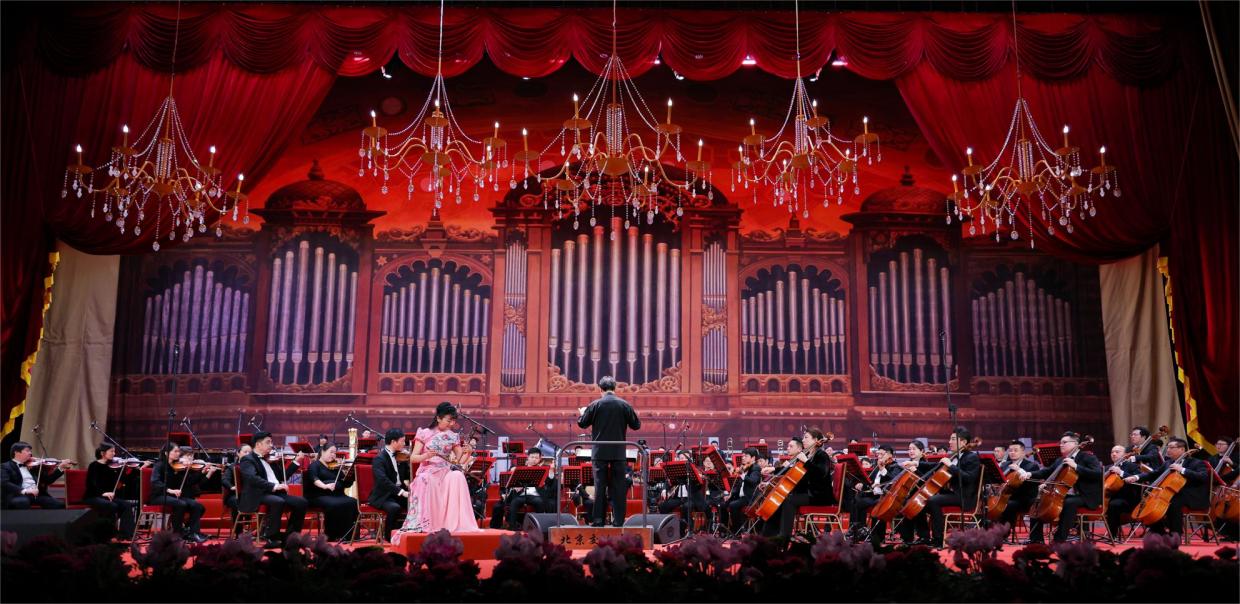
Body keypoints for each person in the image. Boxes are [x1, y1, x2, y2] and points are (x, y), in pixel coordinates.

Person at [395, 402, 481, 539]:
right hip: (428, 470)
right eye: (448, 420)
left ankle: (453, 522)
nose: (451, 424)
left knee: (457, 475)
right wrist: (426, 456)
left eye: (453, 421)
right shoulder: (424, 433)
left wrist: (468, 452)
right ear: (438, 418)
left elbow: (460, 461)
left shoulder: (453, 436)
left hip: (445, 472)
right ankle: (428, 523)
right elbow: (413, 458)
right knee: (426, 479)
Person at [1015, 431, 1102, 543]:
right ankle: (1036, 540)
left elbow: (1097, 474)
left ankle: (1059, 540)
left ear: (1075, 444)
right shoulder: (1060, 460)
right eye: (1060, 443)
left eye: (1064, 442)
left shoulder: (1087, 457)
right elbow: (1047, 471)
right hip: (1064, 494)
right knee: (1037, 502)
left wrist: (1076, 466)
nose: (1061, 445)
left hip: (1085, 496)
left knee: (1069, 503)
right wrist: (1029, 474)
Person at [578, 375, 641, 527]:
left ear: (600, 389)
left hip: (599, 452)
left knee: (600, 486)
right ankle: (618, 521)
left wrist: (582, 413)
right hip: (618, 452)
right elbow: (636, 425)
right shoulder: (624, 404)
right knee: (619, 487)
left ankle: (598, 520)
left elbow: (582, 424)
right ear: (615, 388)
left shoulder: (595, 404)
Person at [905, 427, 980, 548]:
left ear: (963, 442)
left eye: (953, 439)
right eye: (950, 439)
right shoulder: (954, 456)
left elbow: (969, 478)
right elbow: (935, 465)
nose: (949, 442)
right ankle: (924, 537)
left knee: (934, 500)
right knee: (920, 501)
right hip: (951, 494)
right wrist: (916, 463)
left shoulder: (972, 457)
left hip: (964, 497)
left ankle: (938, 540)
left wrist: (951, 466)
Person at [1124, 437, 1209, 536]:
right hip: (1172, 494)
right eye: (1168, 447)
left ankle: (1176, 533)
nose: (1168, 450)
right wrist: (1136, 477)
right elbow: (1154, 474)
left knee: (1172, 502)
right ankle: (1160, 532)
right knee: (1152, 504)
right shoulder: (1168, 463)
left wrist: (1182, 470)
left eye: (1171, 447)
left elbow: (1203, 477)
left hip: (1192, 496)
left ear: (1182, 449)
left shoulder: (1196, 462)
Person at [239, 432, 309, 548]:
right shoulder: (247, 459)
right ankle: (271, 537)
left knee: (302, 502)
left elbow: (282, 477)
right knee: (277, 501)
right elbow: (252, 478)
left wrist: (296, 461)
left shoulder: (269, 459)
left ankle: (291, 536)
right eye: (268, 442)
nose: (271, 445)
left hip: (274, 493)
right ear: (258, 444)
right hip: (258, 494)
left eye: (271, 442)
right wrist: (274, 486)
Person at [762, 428, 833, 538]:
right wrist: (773, 469)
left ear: (816, 440)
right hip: (808, 493)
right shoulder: (808, 454)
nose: (803, 440)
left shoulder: (821, 455)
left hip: (819, 496)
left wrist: (806, 461)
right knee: (781, 499)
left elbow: (821, 473)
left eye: (806, 437)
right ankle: (769, 535)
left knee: (789, 500)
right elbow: (791, 470)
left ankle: (784, 537)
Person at [149, 442, 210, 543]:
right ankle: (177, 534)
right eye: (176, 451)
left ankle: (193, 533)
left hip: (173, 496)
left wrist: (196, 471)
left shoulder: (177, 466)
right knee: (180, 504)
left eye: (178, 451)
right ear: (166, 453)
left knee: (197, 506)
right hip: (159, 495)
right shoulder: (159, 465)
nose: (178, 453)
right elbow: (155, 482)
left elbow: (188, 482)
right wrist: (170, 490)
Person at [83, 444, 144, 540]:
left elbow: (120, 483)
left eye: (114, 451)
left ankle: (127, 534)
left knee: (126, 505)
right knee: (111, 505)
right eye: (111, 451)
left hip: (108, 497)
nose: (114, 454)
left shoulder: (113, 466)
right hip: (94, 496)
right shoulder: (93, 466)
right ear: (102, 453)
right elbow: (91, 485)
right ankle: (108, 534)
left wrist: (128, 471)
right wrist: (103, 493)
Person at [847, 445, 904, 546]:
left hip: (886, 497)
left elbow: (893, 481)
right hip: (874, 495)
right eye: (878, 454)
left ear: (890, 455)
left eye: (882, 454)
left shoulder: (896, 467)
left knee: (878, 504)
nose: (879, 456)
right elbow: (870, 482)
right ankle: (858, 529)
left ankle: (877, 536)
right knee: (857, 499)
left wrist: (883, 469)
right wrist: (862, 485)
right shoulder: (877, 467)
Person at [304, 445, 359, 541]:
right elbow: (314, 479)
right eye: (331, 452)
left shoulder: (336, 467)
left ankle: (350, 535)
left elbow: (345, 484)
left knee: (353, 502)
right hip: (318, 495)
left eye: (335, 453)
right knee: (334, 504)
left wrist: (350, 476)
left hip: (337, 495)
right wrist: (324, 486)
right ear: (323, 452)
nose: (333, 455)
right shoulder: (314, 465)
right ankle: (332, 535)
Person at [490, 448, 553, 530]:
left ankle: (540, 527)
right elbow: (508, 481)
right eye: (532, 457)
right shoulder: (519, 469)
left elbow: (549, 482)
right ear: (528, 457)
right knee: (514, 502)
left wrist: (551, 471)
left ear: (540, 459)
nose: (534, 459)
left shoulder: (542, 470)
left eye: (536, 458)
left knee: (539, 502)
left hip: (535, 495)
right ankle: (512, 527)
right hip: (520, 495)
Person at [995, 440, 1041, 541]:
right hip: (1007, 496)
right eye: (1010, 450)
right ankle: (990, 531)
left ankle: (1003, 535)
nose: (1012, 452)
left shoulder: (1031, 466)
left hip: (1024, 498)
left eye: (1015, 450)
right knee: (990, 504)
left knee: (1008, 505)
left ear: (1023, 452)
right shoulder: (1005, 465)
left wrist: (1019, 470)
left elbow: (1031, 485)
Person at [2, 442, 71, 509]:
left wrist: (61, 468)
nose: (30, 453)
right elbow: (4, 483)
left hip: (36, 495)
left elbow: (48, 480)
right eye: (27, 451)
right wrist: (25, 490)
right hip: (18, 495)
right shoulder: (5, 466)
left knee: (59, 504)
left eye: (30, 451)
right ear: (16, 452)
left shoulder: (33, 466)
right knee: (22, 502)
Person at [369, 428, 409, 541]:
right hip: (384, 495)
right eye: (402, 441)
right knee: (394, 508)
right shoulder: (379, 459)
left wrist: (409, 460)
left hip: (398, 493)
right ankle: (389, 536)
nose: (404, 444)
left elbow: (407, 474)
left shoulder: (401, 456)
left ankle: (408, 532)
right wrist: (402, 492)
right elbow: (382, 480)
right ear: (393, 442)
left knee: (417, 502)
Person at [658, 450, 709, 534]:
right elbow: (667, 482)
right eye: (681, 458)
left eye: (685, 458)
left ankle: (689, 530)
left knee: (686, 506)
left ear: (689, 459)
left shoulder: (696, 470)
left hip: (692, 498)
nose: (683, 460)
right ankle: (667, 528)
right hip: (678, 498)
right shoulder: (676, 470)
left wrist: (697, 477)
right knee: (663, 506)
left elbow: (699, 486)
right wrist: (664, 490)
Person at [1105, 444, 1144, 539]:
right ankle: (1084, 532)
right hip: (1109, 497)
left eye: (1117, 452)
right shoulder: (1107, 468)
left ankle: (1112, 536)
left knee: (1114, 504)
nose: (1114, 454)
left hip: (1128, 499)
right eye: (1112, 452)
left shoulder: (1132, 466)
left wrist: (1121, 473)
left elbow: (1139, 479)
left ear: (1125, 454)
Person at [720, 447, 762, 533]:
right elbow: (738, 486)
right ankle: (724, 530)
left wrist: (742, 474)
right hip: (740, 497)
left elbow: (753, 481)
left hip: (749, 498)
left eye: (746, 456)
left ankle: (737, 531)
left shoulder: (756, 468)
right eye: (742, 456)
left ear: (753, 458)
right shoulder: (744, 468)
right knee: (723, 504)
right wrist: (730, 494)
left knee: (733, 505)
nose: (743, 458)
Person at [221, 444, 252, 530]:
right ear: (238, 453)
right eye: (245, 452)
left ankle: (256, 529)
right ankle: (238, 531)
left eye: (250, 453)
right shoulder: (232, 467)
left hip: (248, 495)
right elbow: (224, 480)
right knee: (237, 501)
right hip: (234, 495)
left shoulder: (253, 467)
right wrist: (232, 487)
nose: (248, 454)